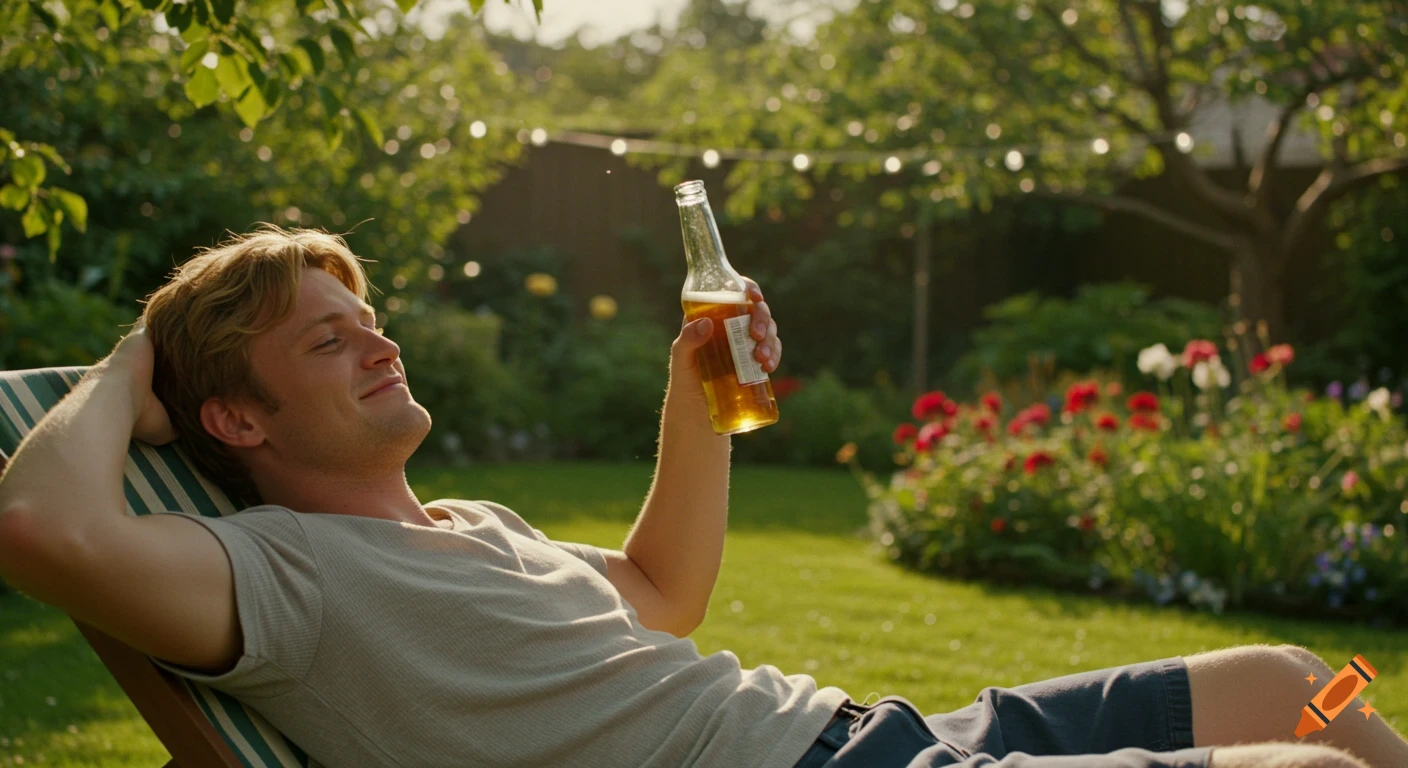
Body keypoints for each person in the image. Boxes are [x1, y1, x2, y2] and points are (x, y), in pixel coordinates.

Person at [0, 225, 1403, 768]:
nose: (380, 341)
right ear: (236, 416)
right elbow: (42, 526)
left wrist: (694, 382)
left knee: (1297, 684)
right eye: (327, 339)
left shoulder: (469, 531)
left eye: (370, 318)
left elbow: (661, 600)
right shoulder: (281, 579)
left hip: (872, 736)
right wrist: (139, 351)